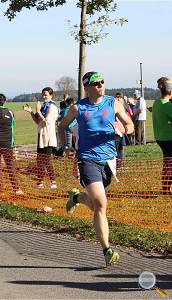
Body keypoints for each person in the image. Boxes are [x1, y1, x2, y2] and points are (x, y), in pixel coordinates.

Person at [58, 71, 134, 267]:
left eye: (102, 82)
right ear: (87, 87)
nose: (100, 85)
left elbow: (130, 124)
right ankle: (107, 250)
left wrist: (125, 129)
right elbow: (62, 125)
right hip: (87, 159)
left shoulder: (113, 103)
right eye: (96, 83)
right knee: (101, 204)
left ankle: (77, 197)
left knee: (96, 205)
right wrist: (66, 146)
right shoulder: (78, 108)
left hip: (109, 160)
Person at [0, 93, 23, 195]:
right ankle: (16, 189)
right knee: (10, 165)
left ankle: (0, 191)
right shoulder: (10, 112)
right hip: (7, 143)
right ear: (5, 101)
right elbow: (13, 124)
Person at [23, 87, 58, 189]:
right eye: (43, 94)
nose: (43, 97)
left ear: (51, 95)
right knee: (40, 161)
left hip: (48, 137)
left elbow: (46, 122)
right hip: (41, 136)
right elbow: (38, 122)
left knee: (47, 160)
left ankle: (53, 182)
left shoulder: (52, 107)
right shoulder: (44, 106)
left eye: (46, 95)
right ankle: (40, 182)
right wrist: (31, 112)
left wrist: (38, 111)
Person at [152, 79, 172, 196]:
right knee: (169, 164)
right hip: (169, 138)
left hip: (160, 138)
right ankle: (165, 189)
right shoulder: (167, 105)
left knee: (167, 163)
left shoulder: (156, 103)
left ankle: (165, 188)